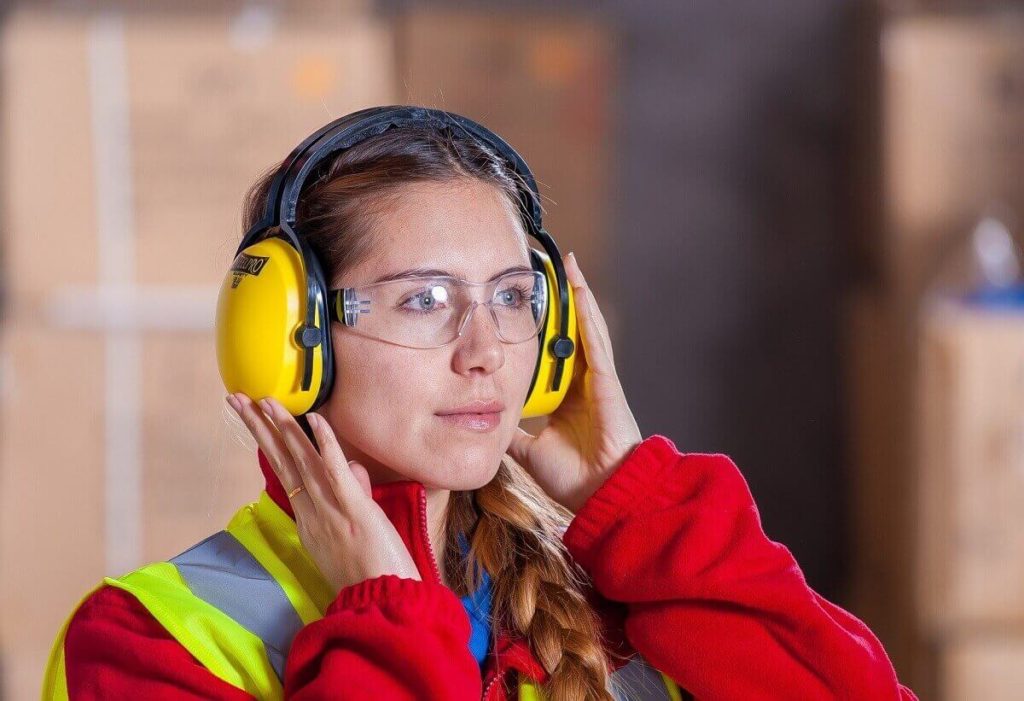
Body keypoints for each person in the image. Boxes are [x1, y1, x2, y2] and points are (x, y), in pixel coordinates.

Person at [43, 109, 917, 700]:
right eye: (424, 300)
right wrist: (383, 616)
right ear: (288, 338)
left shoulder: (629, 595)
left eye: (510, 296)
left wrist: (644, 506)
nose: (487, 350)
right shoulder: (143, 642)